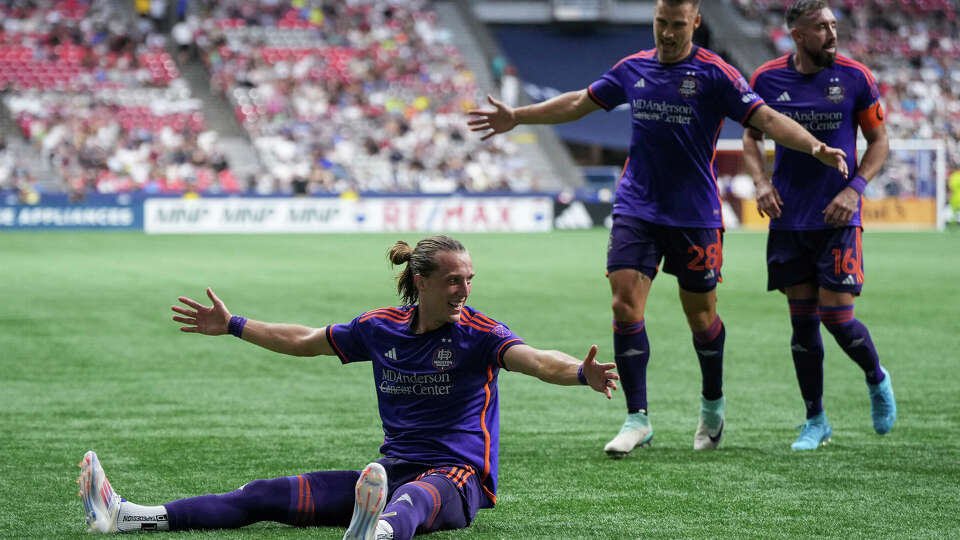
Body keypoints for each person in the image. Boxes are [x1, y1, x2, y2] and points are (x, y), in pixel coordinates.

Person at [467, 0, 849, 457]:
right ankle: (637, 418)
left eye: (676, 25)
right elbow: (579, 103)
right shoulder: (633, 69)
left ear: (696, 22)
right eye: (660, 23)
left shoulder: (716, 74)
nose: (667, 33)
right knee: (624, 305)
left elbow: (765, 118)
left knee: (701, 318)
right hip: (636, 207)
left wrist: (814, 146)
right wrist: (518, 116)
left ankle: (712, 403)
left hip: (694, 215)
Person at [77, 235, 619, 539]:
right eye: (455, 279)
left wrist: (579, 372)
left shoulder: (479, 333)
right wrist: (235, 325)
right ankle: (127, 515)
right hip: (389, 472)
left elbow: (536, 360)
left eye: (470, 279)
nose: (466, 289)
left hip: (458, 480)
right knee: (265, 495)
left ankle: (374, 534)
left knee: (408, 502)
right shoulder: (379, 327)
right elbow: (304, 339)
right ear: (423, 282)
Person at [742, 0, 896, 450]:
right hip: (789, 220)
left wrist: (856, 189)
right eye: (822, 27)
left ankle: (876, 375)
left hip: (838, 217)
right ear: (799, 35)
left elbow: (879, 140)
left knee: (837, 317)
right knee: (802, 324)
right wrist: (760, 181)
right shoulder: (767, 78)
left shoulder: (855, 77)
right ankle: (816, 420)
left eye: (834, 24)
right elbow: (750, 138)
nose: (833, 33)